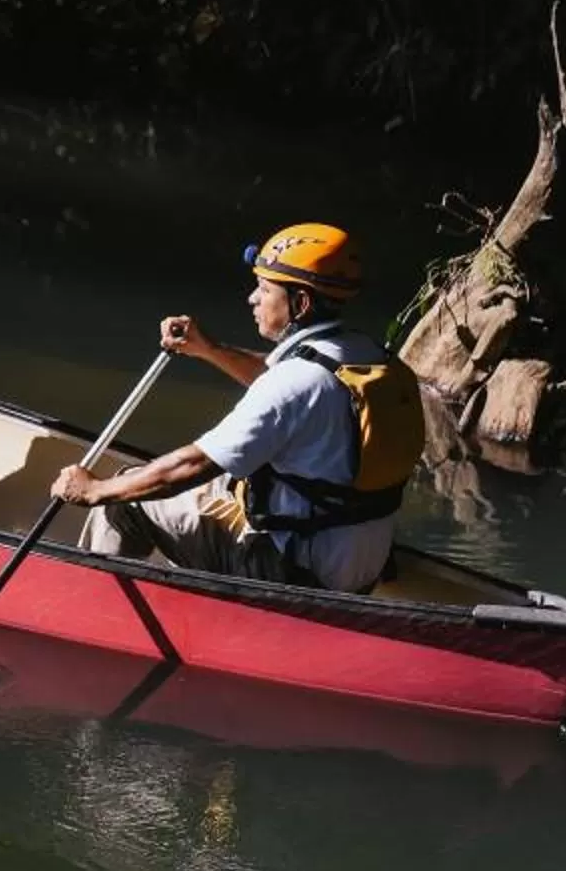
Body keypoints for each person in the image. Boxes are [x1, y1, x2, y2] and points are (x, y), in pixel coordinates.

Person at [50, 223, 419, 594]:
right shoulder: (369, 358)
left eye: (264, 288)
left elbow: (188, 467)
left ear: (301, 303)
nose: (252, 299)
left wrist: (95, 490)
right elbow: (280, 380)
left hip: (292, 578)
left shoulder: (293, 384)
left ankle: (99, 607)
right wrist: (209, 349)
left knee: (127, 495)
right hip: (357, 568)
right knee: (222, 487)